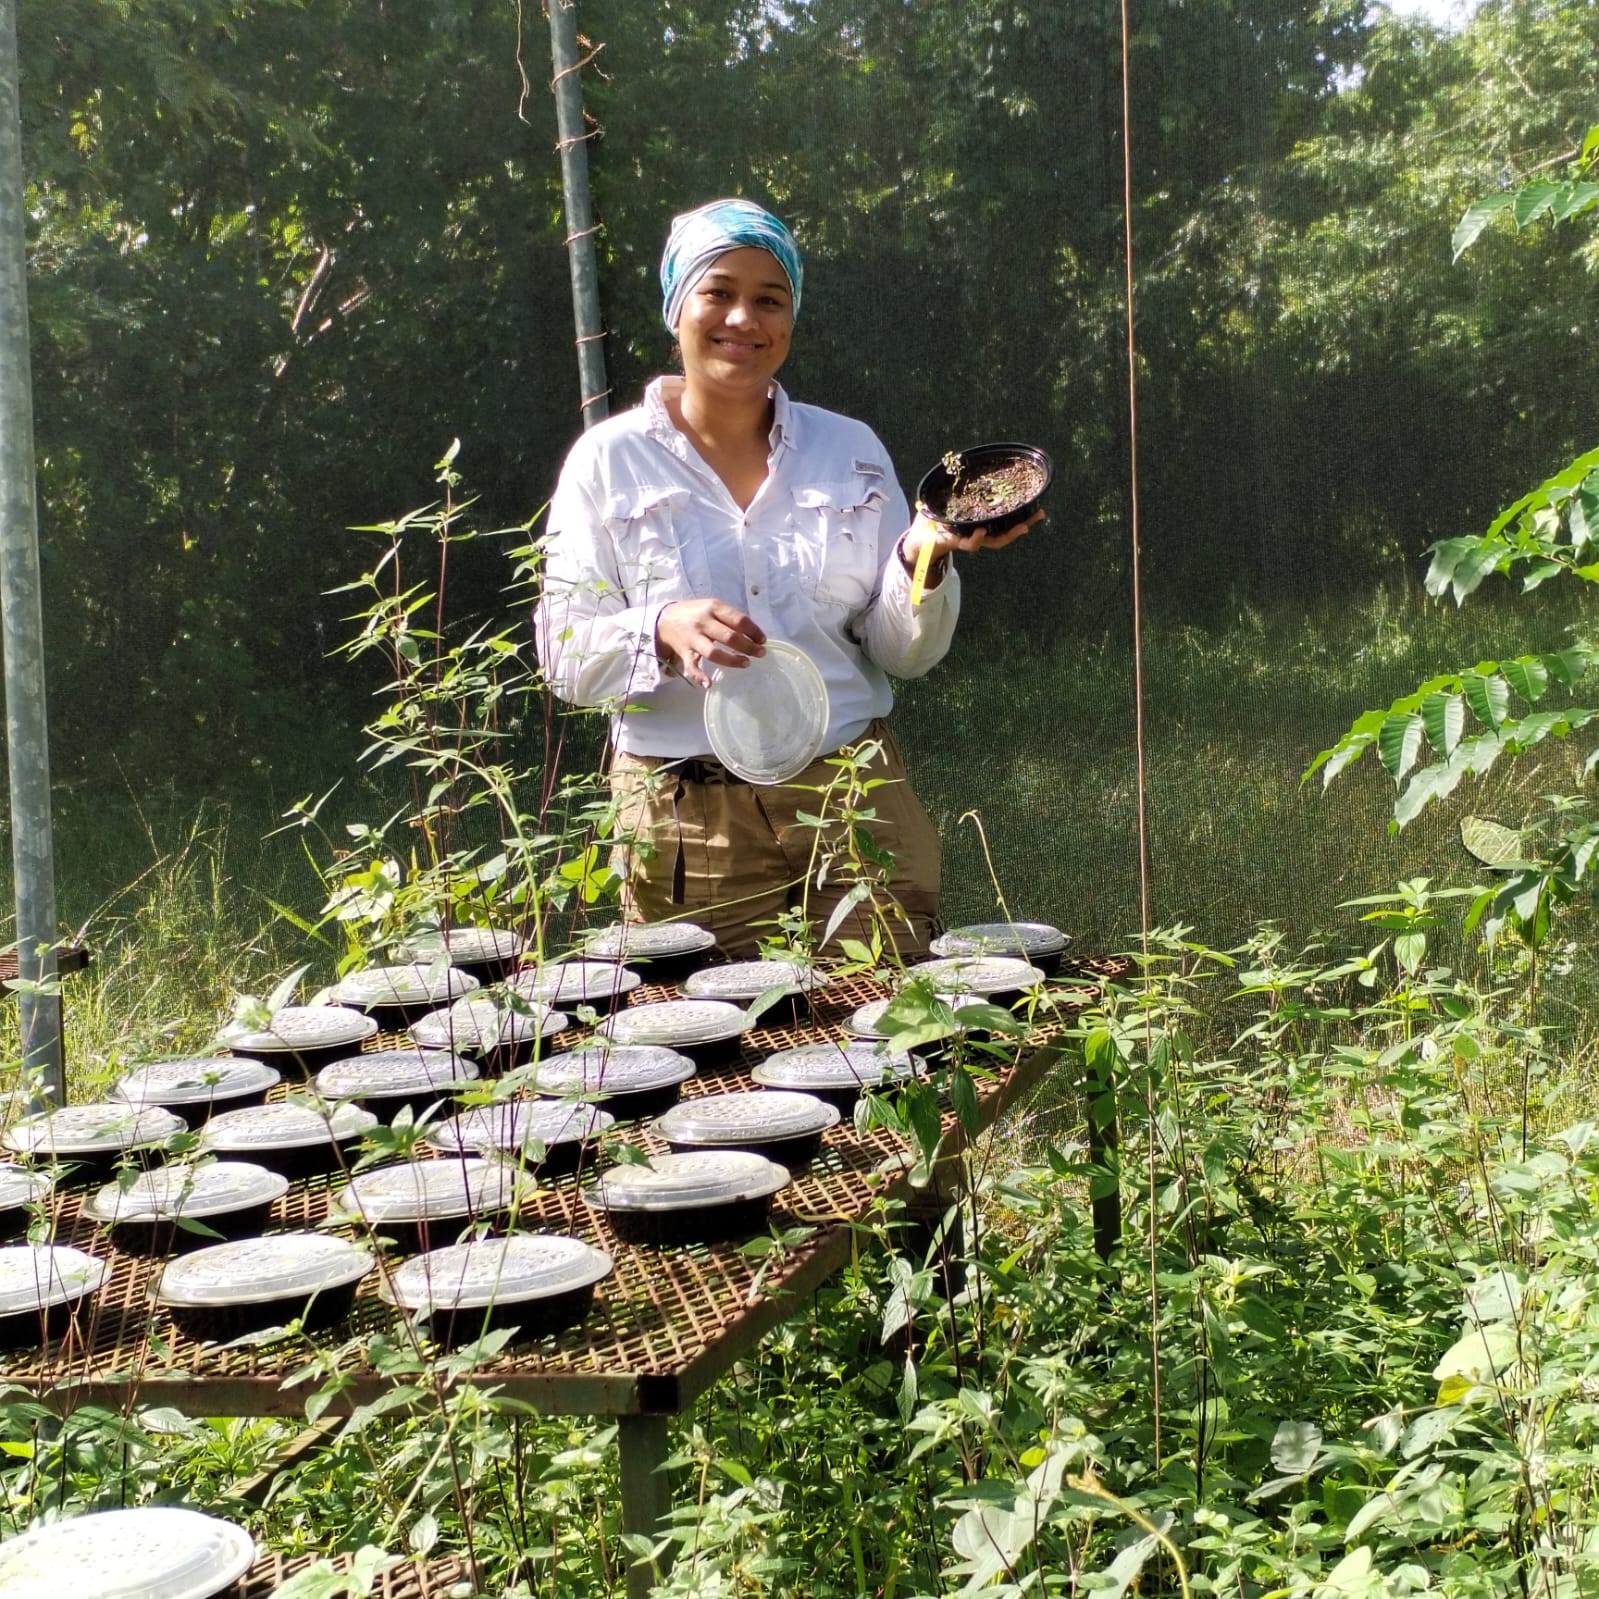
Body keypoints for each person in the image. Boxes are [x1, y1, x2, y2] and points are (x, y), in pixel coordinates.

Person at [535, 198, 1040, 959]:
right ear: (677, 307)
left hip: (853, 799)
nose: (743, 318)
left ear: (791, 319)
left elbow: (901, 652)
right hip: (687, 822)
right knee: (718, 1052)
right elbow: (565, 659)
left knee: (890, 1036)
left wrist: (922, 557)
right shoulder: (608, 462)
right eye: (719, 292)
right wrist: (660, 628)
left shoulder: (849, 449)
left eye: (768, 299)